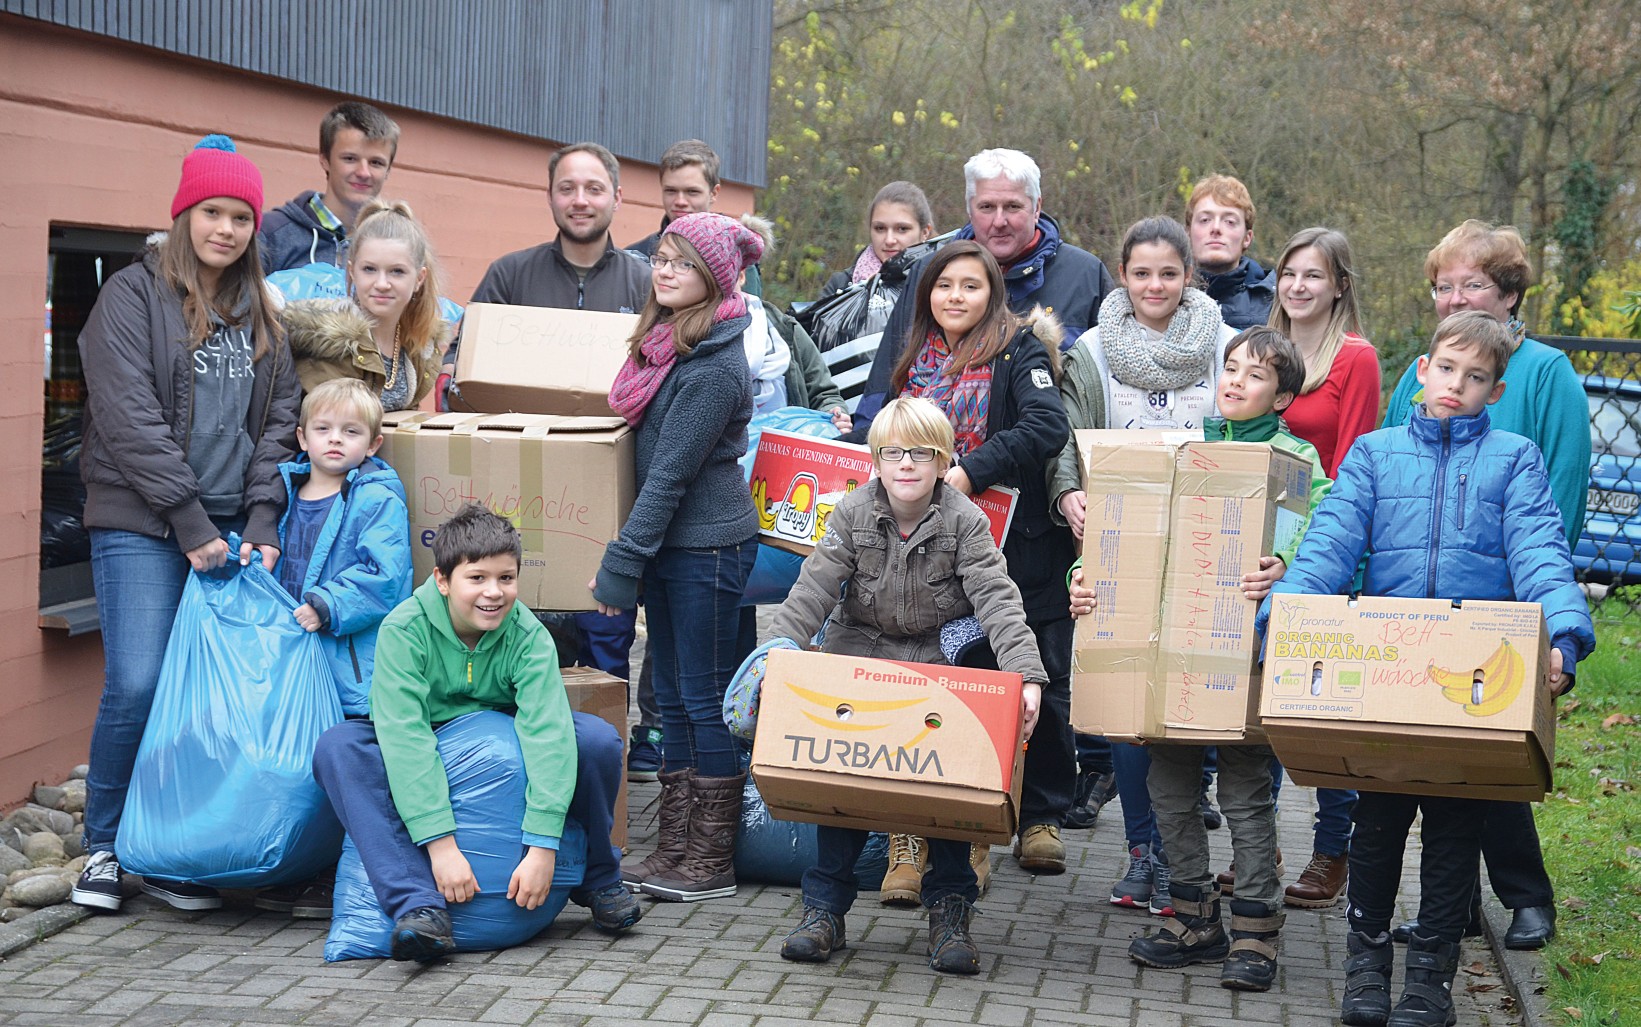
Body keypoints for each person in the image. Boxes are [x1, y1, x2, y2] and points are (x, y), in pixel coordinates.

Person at [1256, 311, 1594, 1027]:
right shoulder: (1375, 455)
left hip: (1470, 678)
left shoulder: (1514, 458)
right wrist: (1282, 616)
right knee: (1374, 827)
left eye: (1474, 378)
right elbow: (1327, 544)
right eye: (1446, 369)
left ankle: (1428, 982)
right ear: (1420, 371)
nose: (1456, 385)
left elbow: (1538, 550)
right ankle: (1367, 970)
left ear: (1494, 391)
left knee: (1451, 833)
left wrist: (1562, 633)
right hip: (1388, 671)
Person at [70, 135, 301, 912]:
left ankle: (172, 847)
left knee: (205, 698)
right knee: (138, 682)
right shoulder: (130, 297)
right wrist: (189, 521)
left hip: (233, 523)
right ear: (183, 215)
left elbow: (280, 422)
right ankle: (102, 846)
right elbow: (129, 418)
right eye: (212, 211)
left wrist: (262, 515)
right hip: (143, 522)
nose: (227, 229)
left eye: (242, 216)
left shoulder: (263, 310)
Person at [767, 397, 1046, 975]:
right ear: (875, 461)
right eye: (893, 453)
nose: (907, 465)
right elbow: (813, 588)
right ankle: (823, 912)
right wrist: (776, 654)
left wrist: (1027, 678)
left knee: (946, 792)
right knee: (841, 790)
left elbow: (997, 597)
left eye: (921, 454)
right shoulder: (851, 513)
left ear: (944, 462)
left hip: (936, 666)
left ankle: (949, 912)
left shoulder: (965, 519)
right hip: (859, 657)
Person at [1380, 220, 1589, 951]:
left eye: (1470, 283)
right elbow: (1388, 469)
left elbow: (1558, 489)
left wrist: (1538, 606)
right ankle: (1453, 905)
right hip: (1418, 600)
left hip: (1505, 597)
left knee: (1492, 763)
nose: (1453, 297)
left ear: (1506, 292)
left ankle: (1526, 898)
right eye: (1443, 285)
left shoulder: (1545, 371)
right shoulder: (1421, 367)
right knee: (1431, 759)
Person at [311, 504, 642, 962]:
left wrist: (542, 845)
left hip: (502, 731)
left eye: (506, 578)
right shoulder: (404, 630)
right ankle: (418, 906)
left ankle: (599, 877)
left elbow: (546, 730)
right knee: (339, 748)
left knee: (596, 739)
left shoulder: (527, 634)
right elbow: (404, 737)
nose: (494, 593)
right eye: (477, 578)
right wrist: (441, 847)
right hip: (427, 731)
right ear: (443, 580)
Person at [1110, 327, 1329, 992]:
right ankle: (1193, 916)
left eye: (1253, 374)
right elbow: (1131, 531)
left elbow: (1324, 523)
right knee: (1167, 788)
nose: (1234, 380)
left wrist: (1285, 564)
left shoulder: (1294, 459)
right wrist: (1084, 574)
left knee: (1243, 792)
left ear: (1283, 394)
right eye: (1228, 368)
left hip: (1250, 654)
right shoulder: (1187, 451)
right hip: (1176, 652)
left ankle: (1256, 929)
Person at [860, 239, 1072, 888]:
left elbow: (1046, 427)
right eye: (943, 284)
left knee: (1009, 689)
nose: (955, 296)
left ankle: (1003, 828)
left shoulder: (1017, 350)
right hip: (921, 554)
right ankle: (910, 843)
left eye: (971, 285)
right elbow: (878, 428)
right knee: (922, 689)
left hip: (1011, 552)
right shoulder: (912, 359)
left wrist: (966, 470)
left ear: (993, 294)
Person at [439, 142, 655, 775]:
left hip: (606, 486)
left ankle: (603, 778)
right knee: (510, 631)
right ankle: (506, 769)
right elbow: (463, 373)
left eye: (593, 188)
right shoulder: (510, 276)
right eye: (568, 188)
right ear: (551, 196)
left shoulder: (643, 282)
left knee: (606, 635)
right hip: (521, 490)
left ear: (617, 197)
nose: (580, 200)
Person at [1048, 214, 1239, 917]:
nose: (1153, 285)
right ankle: (1141, 851)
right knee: (1126, 705)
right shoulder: (1092, 349)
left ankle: (1184, 858)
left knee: (1185, 705)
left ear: (1188, 275)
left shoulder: (1224, 344)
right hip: (1119, 542)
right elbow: (1065, 433)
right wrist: (1066, 491)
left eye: (1167, 272)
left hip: (1202, 547)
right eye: (1140, 273)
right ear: (1120, 276)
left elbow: (1247, 431)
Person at [594, 212, 765, 903]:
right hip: (674, 545)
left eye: (682, 263)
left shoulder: (713, 366)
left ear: (714, 279)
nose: (663, 271)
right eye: (660, 258)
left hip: (707, 546)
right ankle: (672, 848)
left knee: (701, 699)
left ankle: (708, 859)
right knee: (670, 698)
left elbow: (668, 475)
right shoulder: (666, 345)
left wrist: (619, 562)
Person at [250, 378, 413, 919]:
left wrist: (326, 603)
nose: (335, 441)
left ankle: (332, 875)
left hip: (345, 659)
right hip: (290, 658)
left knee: (344, 766)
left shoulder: (375, 497)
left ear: (374, 443)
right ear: (301, 436)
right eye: (323, 429)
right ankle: (294, 864)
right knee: (297, 762)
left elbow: (386, 576)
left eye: (351, 431)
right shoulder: (285, 494)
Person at [1258, 227, 1381, 909]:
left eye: (1314, 275)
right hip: (1262, 544)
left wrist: (1314, 553)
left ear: (1338, 285)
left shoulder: (1353, 358)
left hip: (1324, 548)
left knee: (1323, 706)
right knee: (1263, 707)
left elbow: (1355, 463)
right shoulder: (1264, 348)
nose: (1298, 285)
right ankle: (1259, 848)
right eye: (1289, 273)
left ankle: (1332, 850)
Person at [848, 148, 1117, 440]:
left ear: (1037, 207)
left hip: (1049, 467)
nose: (999, 220)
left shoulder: (1085, 275)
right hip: (926, 465)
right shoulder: (929, 271)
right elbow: (888, 378)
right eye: (987, 207)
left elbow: (1106, 391)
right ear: (969, 209)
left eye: (1013, 207)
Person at [280, 200, 449, 411]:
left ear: (419, 278)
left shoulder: (419, 345)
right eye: (369, 269)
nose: (382, 284)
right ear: (352, 272)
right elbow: (330, 431)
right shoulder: (330, 344)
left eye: (397, 271)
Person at [260, 102, 400, 273]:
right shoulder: (271, 233)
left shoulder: (400, 242)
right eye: (350, 159)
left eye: (376, 163)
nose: (364, 172)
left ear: (388, 170)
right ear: (325, 160)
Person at [627, 139, 761, 296]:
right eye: (671, 191)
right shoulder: (635, 257)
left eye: (692, 192)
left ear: (714, 193)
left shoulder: (735, 257)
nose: (680, 201)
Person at [819, 180, 936, 299]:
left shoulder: (941, 283)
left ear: (925, 232)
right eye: (880, 228)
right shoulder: (840, 285)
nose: (889, 240)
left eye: (902, 229)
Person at [1186, 174, 1275, 330]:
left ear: (1247, 238)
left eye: (1229, 221)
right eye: (1205, 220)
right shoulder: (1165, 295)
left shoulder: (1277, 301)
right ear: (1188, 234)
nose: (1216, 228)